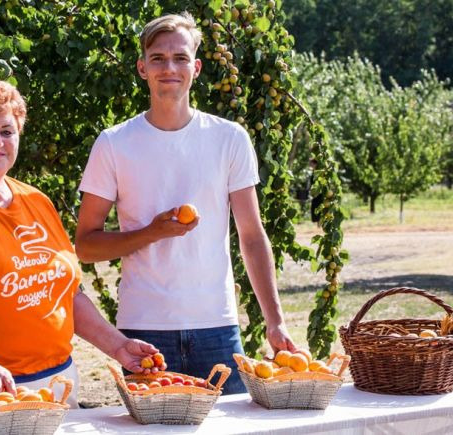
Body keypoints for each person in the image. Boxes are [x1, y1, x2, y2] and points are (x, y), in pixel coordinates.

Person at [0, 77, 163, 424]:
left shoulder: (36, 201)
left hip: (55, 384)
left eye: (7, 131)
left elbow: (67, 293)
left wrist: (117, 345)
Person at [75, 12, 297, 395]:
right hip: (143, 330)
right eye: (158, 59)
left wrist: (274, 320)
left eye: (179, 58)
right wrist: (153, 232)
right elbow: (85, 245)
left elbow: (252, 236)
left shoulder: (229, 138)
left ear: (195, 68)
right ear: (142, 68)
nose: (169, 68)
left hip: (217, 326)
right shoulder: (113, 143)